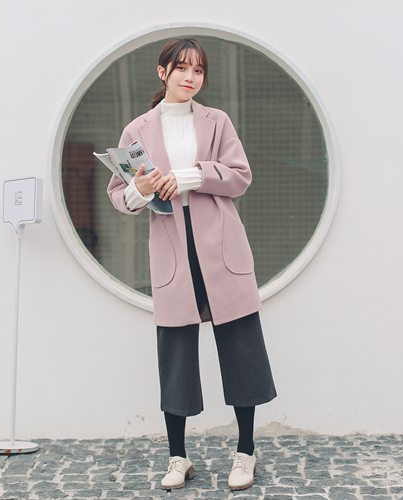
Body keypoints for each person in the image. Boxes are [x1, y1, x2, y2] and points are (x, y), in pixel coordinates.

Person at [107, 37, 276, 491]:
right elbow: (120, 197)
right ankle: (178, 457)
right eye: (181, 68)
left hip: (221, 248)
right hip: (172, 252)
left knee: (242, 349)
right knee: (176, 354)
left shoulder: (217, 121)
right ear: (162, 72)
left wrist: (189, 176)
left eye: (198, 70)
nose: (190, 77)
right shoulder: (136, 130)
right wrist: (141, 189)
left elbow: (240, 176)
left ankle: (246, 453)